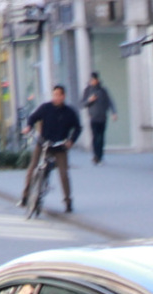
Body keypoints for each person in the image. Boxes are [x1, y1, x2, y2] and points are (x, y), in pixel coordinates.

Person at [25, 84, 81, 212]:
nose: (55, 97)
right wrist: (29, 126)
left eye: (58, 95)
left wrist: (71, 141)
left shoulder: (69, 112)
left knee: (63, 174)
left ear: (63, 96)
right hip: (43, 144)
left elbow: (78, 128)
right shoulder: (46, 108)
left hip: (60, 147)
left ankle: (68, 202)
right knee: (32, 167)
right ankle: (25, 196)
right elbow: (33, 118)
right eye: (54, 94)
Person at [81, 70, 114, 165]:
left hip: (103, 117)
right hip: (93, 117)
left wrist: (113, 112)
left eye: (95, 79)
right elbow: (82, 104)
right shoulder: (87, 90)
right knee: (95, 137)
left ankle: (100, 156)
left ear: (98, 80)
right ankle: (96, 156)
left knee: (102, 137)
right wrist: (89, 100)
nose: (93, 81)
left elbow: (109, 101)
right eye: (92, 79)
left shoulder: (103, 90)